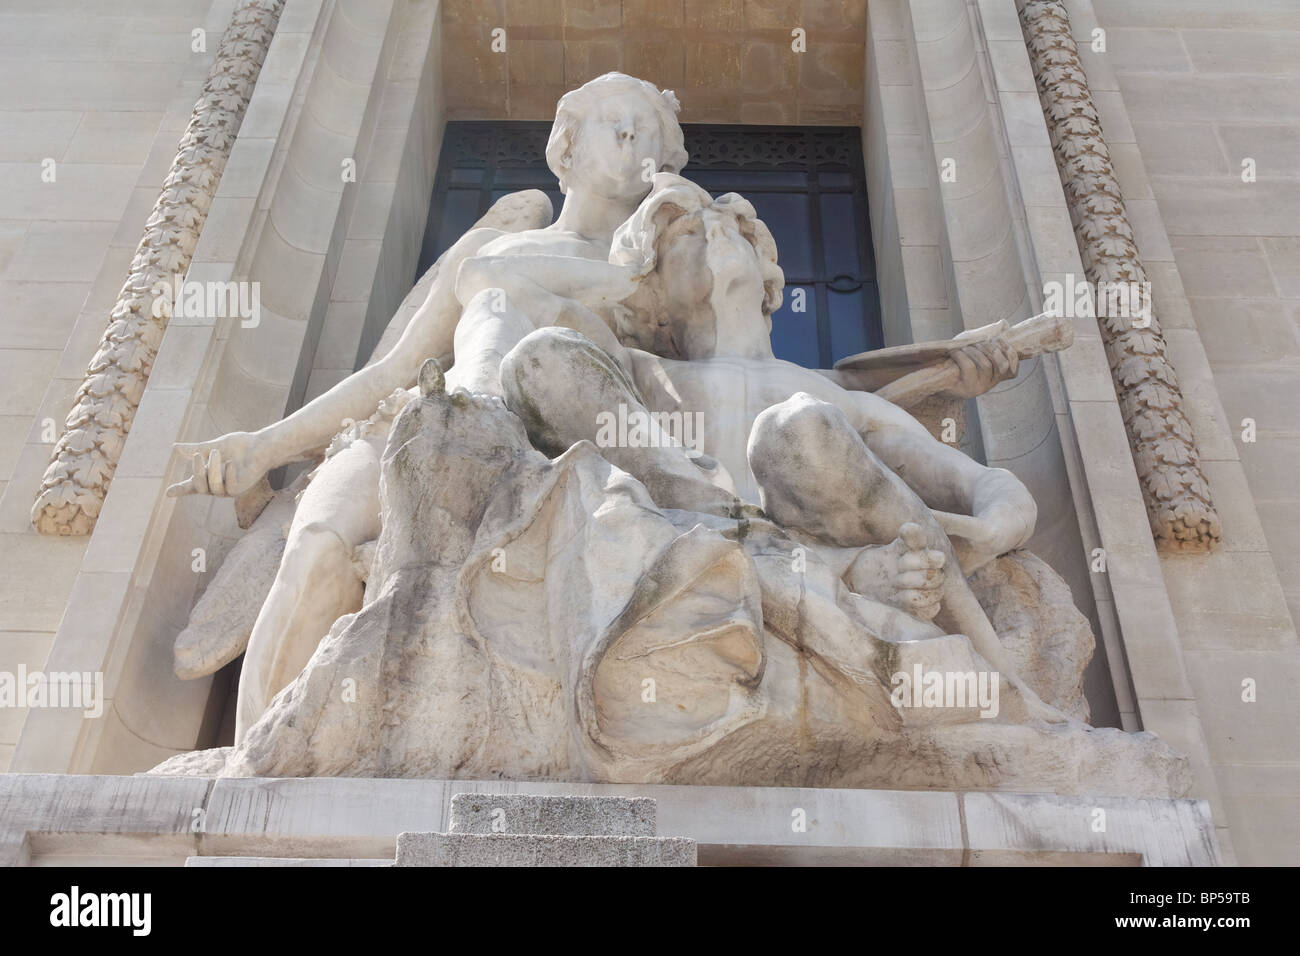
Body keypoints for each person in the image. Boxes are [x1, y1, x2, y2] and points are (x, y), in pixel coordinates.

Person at [168, 73, 690, 741]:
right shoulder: (494, 248)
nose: (628, 136)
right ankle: (254, 775)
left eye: (646, 131)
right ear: (567, 143)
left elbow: (711, 382)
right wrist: (263, 448)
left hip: (568, 443)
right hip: (420, 420)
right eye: (615, 120)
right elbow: (392, 372)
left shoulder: (661, 271)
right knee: (316, 550)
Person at [492, 174, 1062, 720]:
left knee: (799, 428)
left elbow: (980, 482)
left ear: (768, 277)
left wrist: (995, 525)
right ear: (650, 294)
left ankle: (976, 659)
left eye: (734, 228)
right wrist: (616, 287)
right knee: (543, 356)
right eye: (687, 233)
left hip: (782, 520)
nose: (715, 230)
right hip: (695, 534)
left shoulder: (829, 397)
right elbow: (502, 289)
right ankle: (820, 564)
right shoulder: (640, 375)